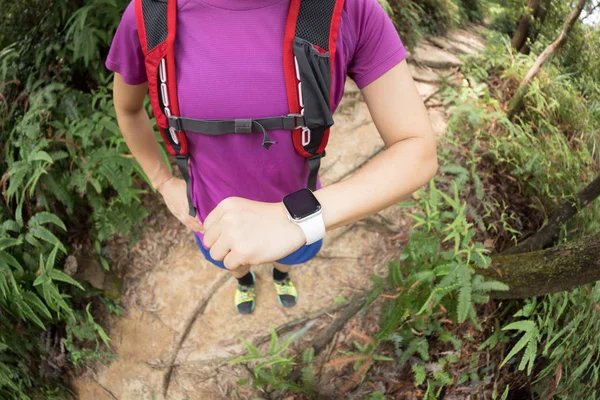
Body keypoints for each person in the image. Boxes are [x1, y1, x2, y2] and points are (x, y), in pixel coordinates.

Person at [107, 0, 438, 315]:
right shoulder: (150, 14)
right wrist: (163, 181)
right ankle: (245, 281)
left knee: (287, 257)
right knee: (233, 260)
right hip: (210, 213)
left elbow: (417, 148)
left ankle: (281, 276)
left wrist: (294, 220)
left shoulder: (350, 10)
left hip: (301, 209)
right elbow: (127, 107)